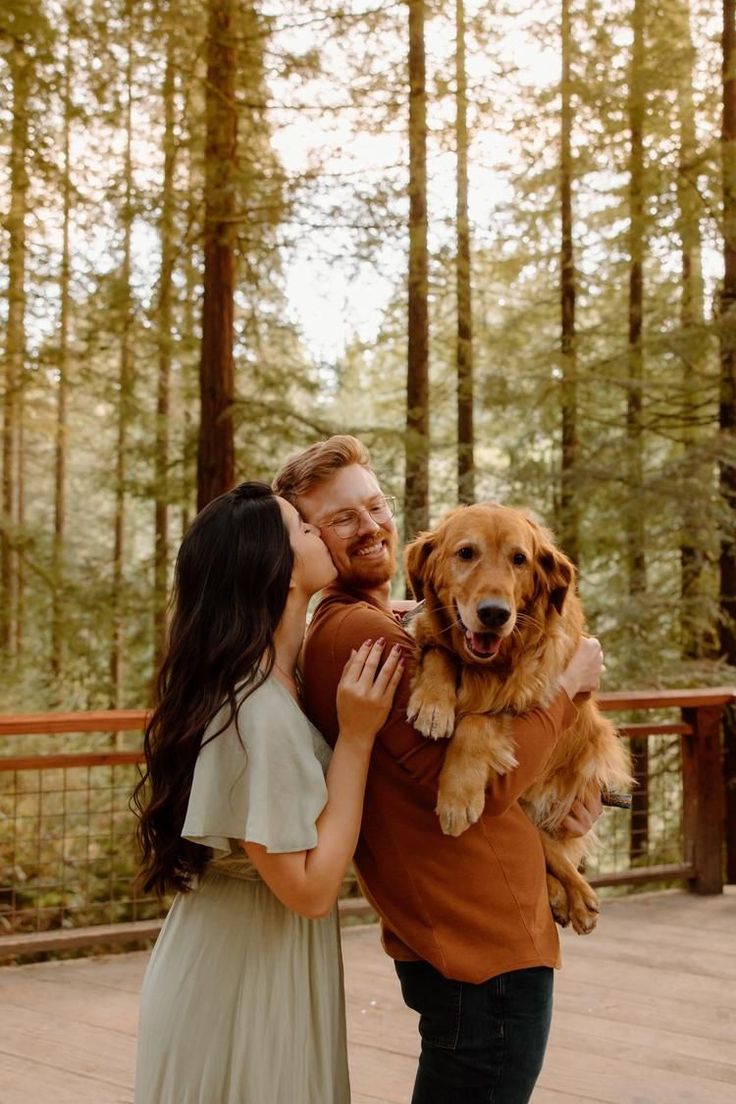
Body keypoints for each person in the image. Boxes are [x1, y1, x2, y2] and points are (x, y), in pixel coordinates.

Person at [273, 436, 605, 1104]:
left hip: (476, 945)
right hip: (481, 955)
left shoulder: (380, 623)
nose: (369, 526)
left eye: (374, 505)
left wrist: (578, 779)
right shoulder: (359, 637)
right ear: (300, 540)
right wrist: (568, 691)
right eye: (341, 519)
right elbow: (485, 787)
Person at [132, 481, 403, 1104]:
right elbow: (308, 890)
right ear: (276, 570)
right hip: (238, 984)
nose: (320, 530)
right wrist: (357, 739)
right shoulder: (258, 711)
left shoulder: (281, 676)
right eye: (302, 527)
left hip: (251, 959)